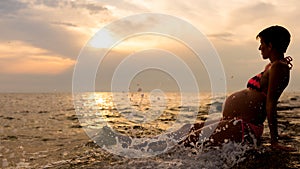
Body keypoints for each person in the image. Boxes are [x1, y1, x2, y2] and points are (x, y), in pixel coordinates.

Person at [180, 25, 296, 152]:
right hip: (235, 123)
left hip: (244, 126)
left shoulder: (279, 67)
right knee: (186, 129)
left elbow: (271, 104)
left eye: (262, 43)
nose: (259, 47)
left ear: (270, 45)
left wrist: (274, 141)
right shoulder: (272, 66)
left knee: (189, 141)